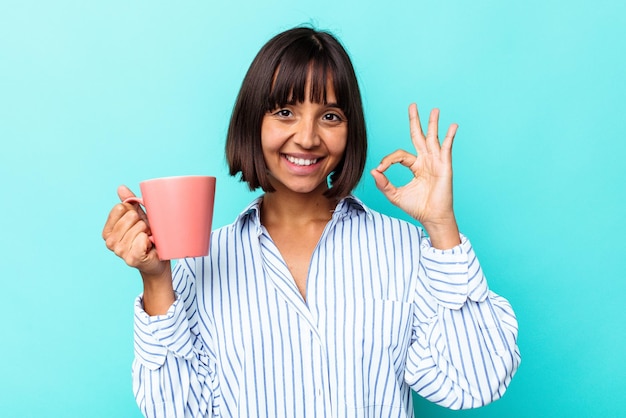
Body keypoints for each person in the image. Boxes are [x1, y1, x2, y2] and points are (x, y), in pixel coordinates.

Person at [102, 26, 520, 418]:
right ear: (253, 121)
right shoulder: (202, 262)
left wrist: (442, 228)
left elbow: (476, 382)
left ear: (349, 129)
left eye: (331, 116)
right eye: (285, 112)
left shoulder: (406, 249)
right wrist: (157, 281)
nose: (307, 137)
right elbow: (178, 412)